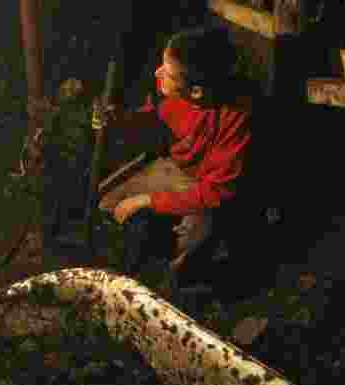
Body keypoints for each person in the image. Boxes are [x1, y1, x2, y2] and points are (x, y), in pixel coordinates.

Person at [95, 26, 252, 274]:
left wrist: (148, 200)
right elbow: (152, 122)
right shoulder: (171, 91)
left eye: (167, 73)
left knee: (189, 243)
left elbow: (217, 191)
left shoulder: (236, 118)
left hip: (213, 191)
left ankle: (179, 284)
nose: (158, 73)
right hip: (181, 170)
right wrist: (119, 120)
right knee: (108, 205)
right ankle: (146, 249)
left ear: (196, 92)